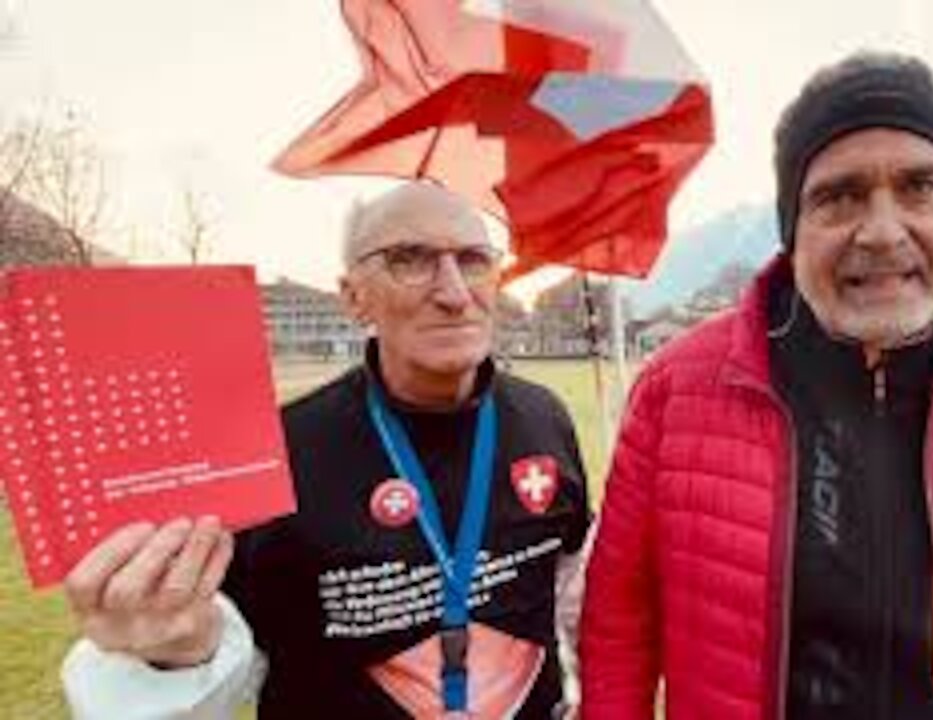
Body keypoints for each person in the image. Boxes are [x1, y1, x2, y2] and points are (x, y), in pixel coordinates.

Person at [581, 50, 933, 720]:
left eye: (919, 186)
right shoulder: (676, 391)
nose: (884, 232)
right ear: (792, 228)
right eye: (840, 195)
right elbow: (619, 627)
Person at [61, 182, 593, 719]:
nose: (454, 292)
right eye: (410, 259)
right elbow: (223, 654)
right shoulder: (277, 454)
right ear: (354, 297)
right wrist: (169, 657)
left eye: (474, 259)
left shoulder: (543, 417)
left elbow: (570, 583)